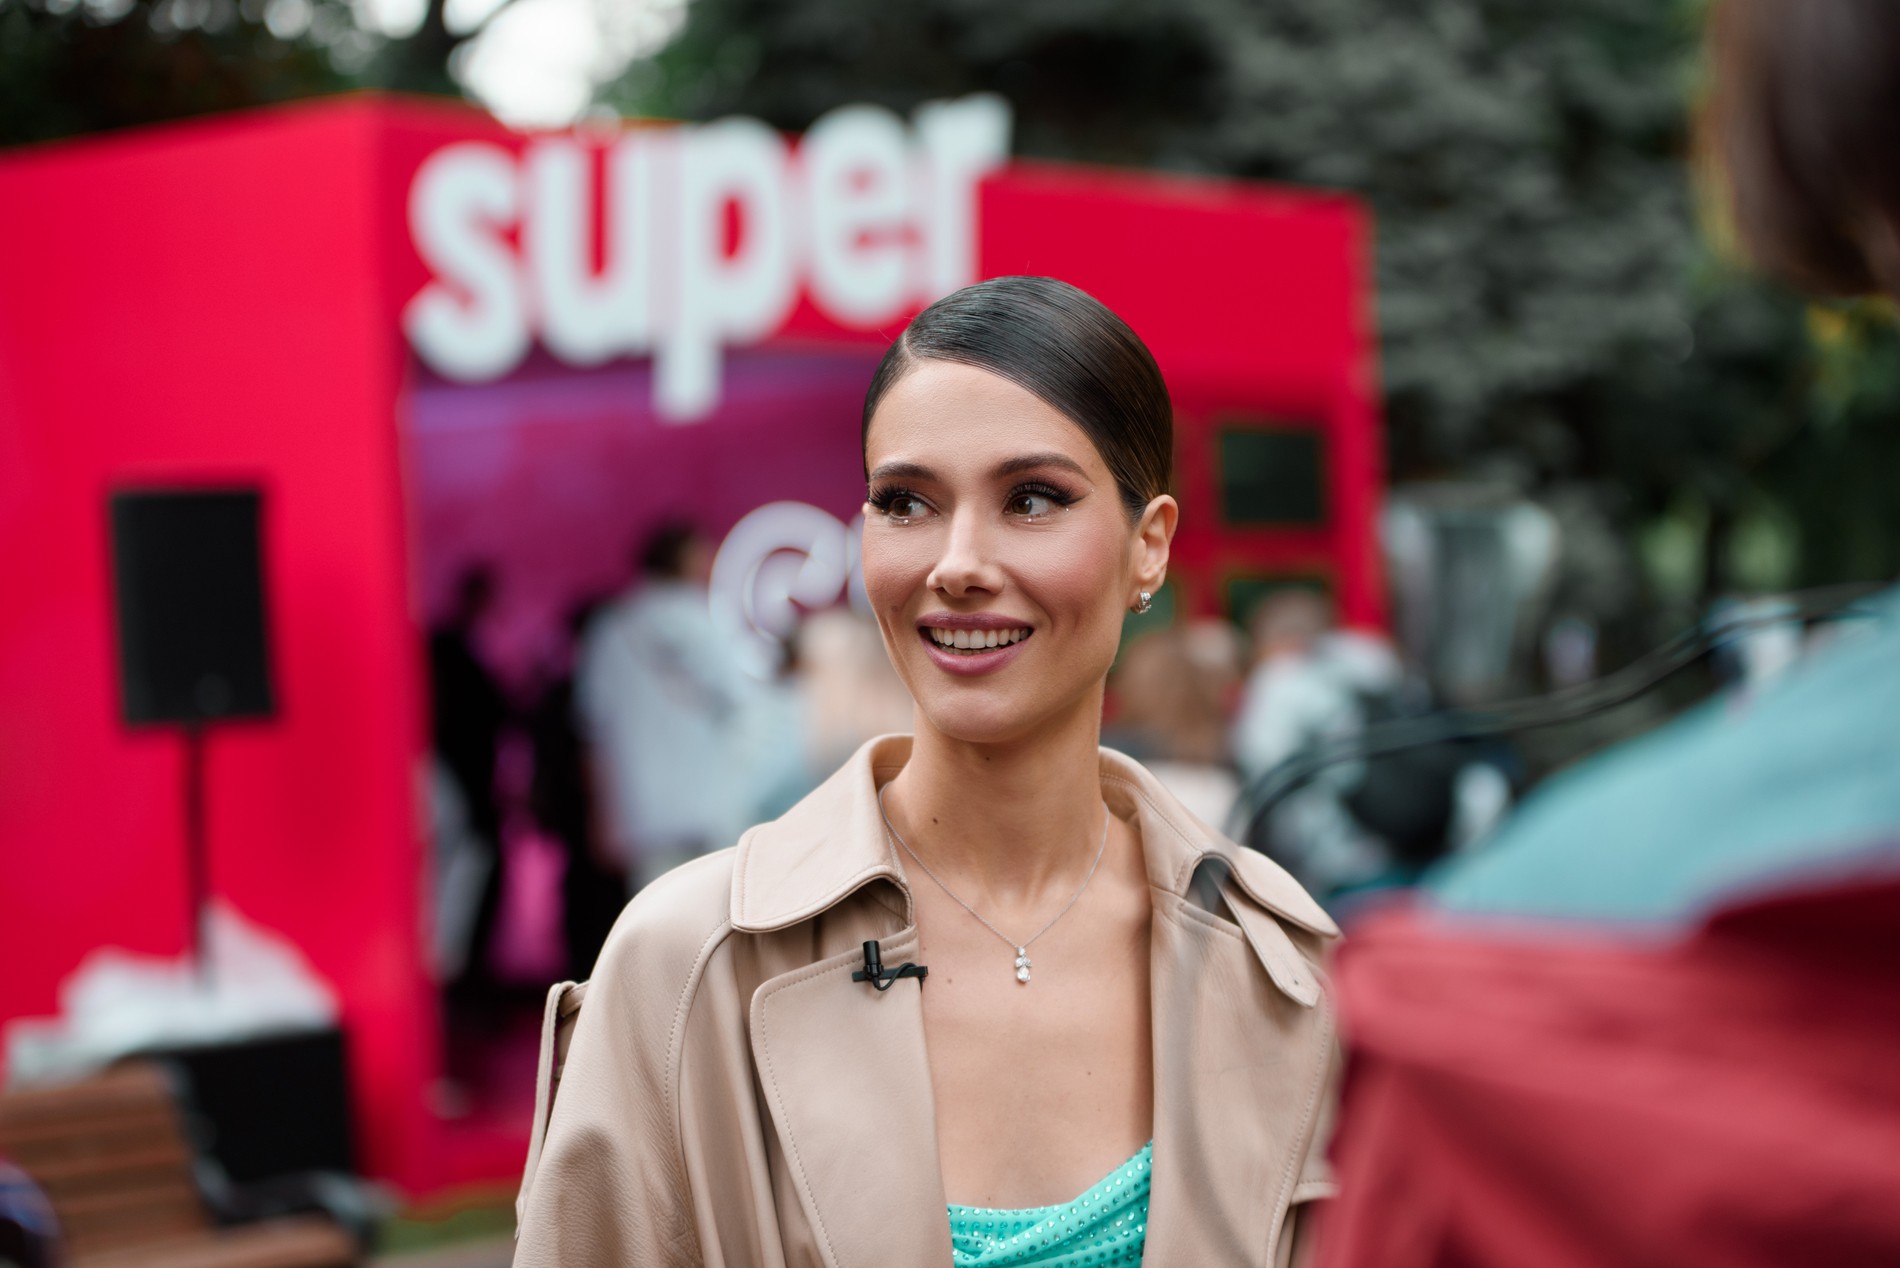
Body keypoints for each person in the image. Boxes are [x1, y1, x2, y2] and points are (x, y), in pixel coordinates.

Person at [514, 277, 1341, 1266]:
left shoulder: (1280, 966)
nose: (957, 563)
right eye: (906, 502)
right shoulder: (684, 964)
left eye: (1031, 499)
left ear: (1148, 547)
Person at [574, 521, 748, 890]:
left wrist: (599, 812)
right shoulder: (706, 619)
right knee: (718, 911)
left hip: (643, 808)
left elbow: (592, 723)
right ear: (685, 558)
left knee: (655, 913)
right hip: (711, 799)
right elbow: (740, 702)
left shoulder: (612, 627)